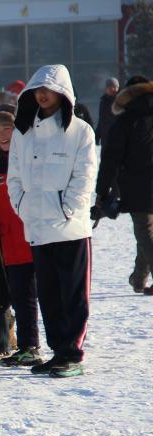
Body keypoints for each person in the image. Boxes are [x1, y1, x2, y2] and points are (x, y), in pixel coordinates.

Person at [8, 64, 98, 378]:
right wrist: (23, 205)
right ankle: (58, 350)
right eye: (38, 90)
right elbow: (14, 177)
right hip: (37, 227)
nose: (43, 95)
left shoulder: (80, 131)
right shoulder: (23, 132)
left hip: (70, 228)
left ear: (64, 94)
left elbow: (85, 177)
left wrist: (66, 208)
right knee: (49, 294)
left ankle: (71, 354)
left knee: (73, 295)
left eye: (49, 89)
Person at [0, 108, 45, 367]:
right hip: (11, 243)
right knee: (22, 299)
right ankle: (28, 347)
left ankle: (63, 346)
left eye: (7, 129)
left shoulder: (32, 159)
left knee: (48, 297)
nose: (3, 135)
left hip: (40, 237)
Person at [95, 75, 153, 295]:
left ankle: (140, 278)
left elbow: (110, 160)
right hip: (141, 185)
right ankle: (138, 279)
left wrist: (101, 192)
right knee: (147, 233)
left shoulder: (124, 122)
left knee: (145, 231)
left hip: (137, 186)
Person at [95, 77, 120, 146]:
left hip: (119, 139)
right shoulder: (103, 102)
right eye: (110, 87)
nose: (113, 89)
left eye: (115, 87)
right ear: (106, 89)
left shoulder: (121, 101)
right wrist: (97, 135)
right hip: (106, 139)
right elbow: (101, 121)